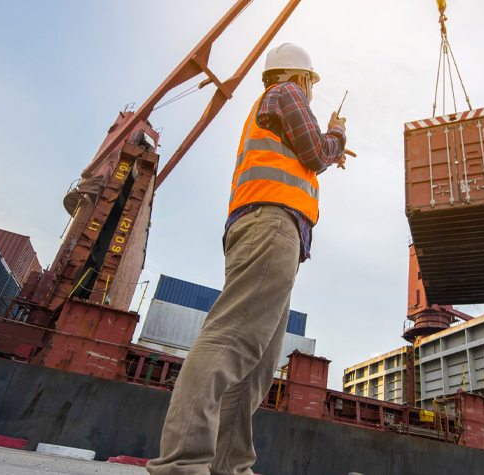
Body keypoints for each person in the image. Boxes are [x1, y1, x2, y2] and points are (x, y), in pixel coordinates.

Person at [147, 43, 349, 475]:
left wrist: (326, 147)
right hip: (270, 225)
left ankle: (230, 465)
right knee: (232, 341)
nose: (311, 91)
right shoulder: (287, 93)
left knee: (258, 364)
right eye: (312, 82)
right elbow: (317, 151)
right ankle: (184, 462)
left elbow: (306, 155)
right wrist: (337, 136)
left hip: (275, 231)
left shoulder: (276, 104)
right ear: (301, 77)